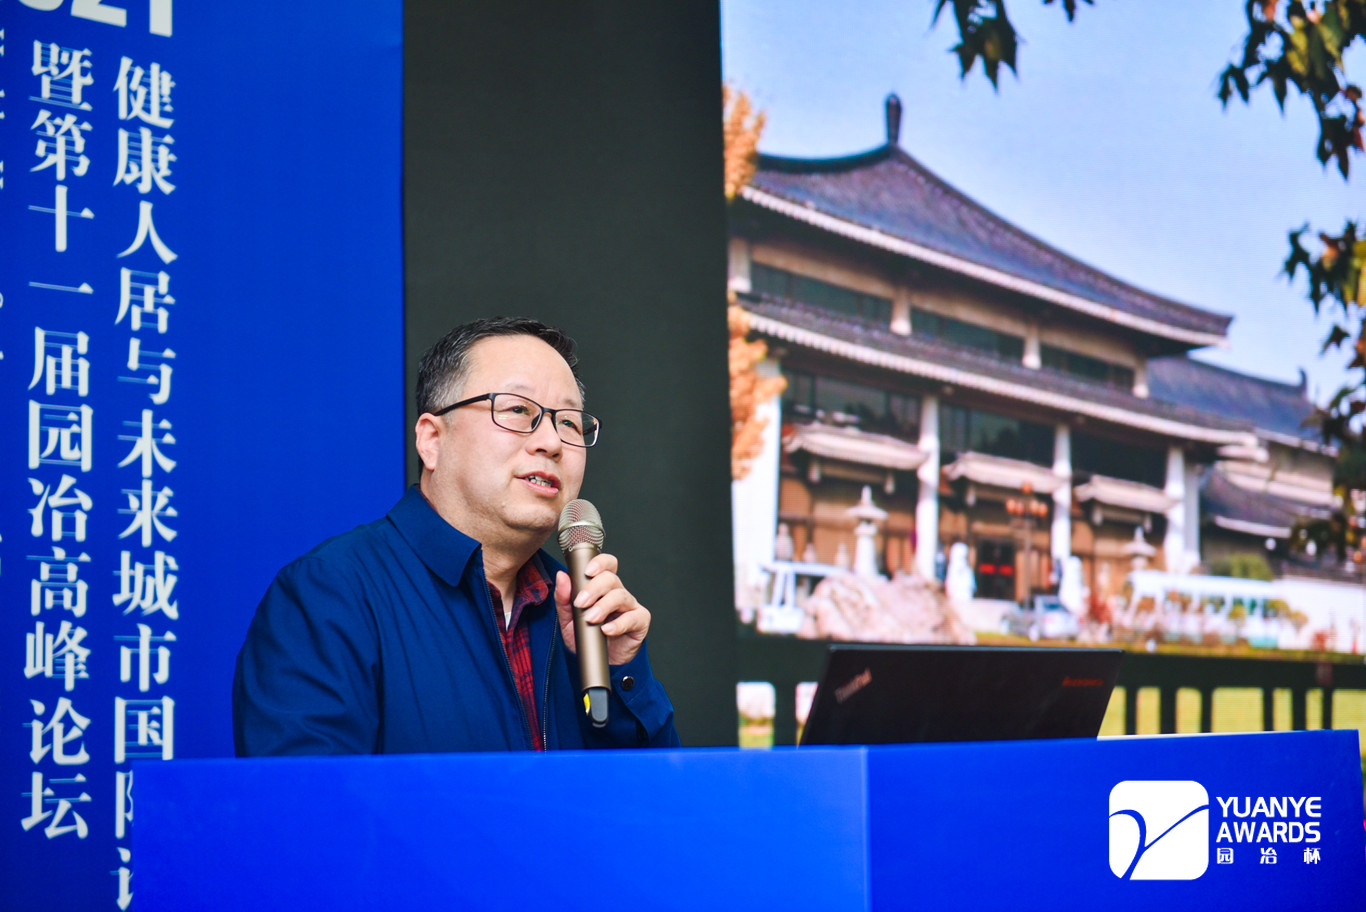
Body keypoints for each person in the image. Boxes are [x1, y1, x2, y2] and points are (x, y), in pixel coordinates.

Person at [233, 317, 679, 754]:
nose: (551, 442)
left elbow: (660, 811)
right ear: (431, 440)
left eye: (568, 422)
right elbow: (304, 814)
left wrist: (622, 673)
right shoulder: (329, 594)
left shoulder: (579, 614)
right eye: (517, 410)